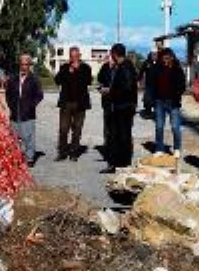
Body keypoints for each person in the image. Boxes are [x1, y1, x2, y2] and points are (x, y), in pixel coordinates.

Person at [99, 43, 138, 173]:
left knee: (122, 136)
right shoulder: (122, 66)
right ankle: (119, 163)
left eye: (111, 53)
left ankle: (120, 164)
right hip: (122, 106)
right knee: (119, 135)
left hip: (124, 107)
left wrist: (110, 91)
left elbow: (126, 88)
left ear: (115, 54)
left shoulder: (125, 67)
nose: (111, 56)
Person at [54, 46, 92, 161]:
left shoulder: (85, 68)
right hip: (66, 103)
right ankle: (62, 152)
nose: (73, 58)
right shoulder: (64, 67)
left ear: (79, 56)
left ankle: (74, 153)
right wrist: (67, 72)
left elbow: (88, 81)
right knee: (63, 129)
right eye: (71, 56)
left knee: (77, 129)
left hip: (80, 104)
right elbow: (57, 80)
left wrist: (78, 70)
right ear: (69, 56)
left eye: (76, 56)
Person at [6, 53, 44, 167]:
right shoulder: (13, 78)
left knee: (28, 137)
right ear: (19, 65)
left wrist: (31, 106)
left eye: (26, 64)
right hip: (15, 112)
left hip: (28, 113)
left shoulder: (34, 79)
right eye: (22, 64)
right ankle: (15, 157)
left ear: (29, 65)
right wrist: (11, 106)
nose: (24, 67)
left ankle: (29, 158)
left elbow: (39, 95)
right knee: (14, 137)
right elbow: (8, 94)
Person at [149, 47, 187, 154]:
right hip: (159, 101)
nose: (165, 60)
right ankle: (159, 148)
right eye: (163, 58)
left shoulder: (177, 70)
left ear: (172, 58)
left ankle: (176, 148)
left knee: (175, 127)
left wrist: (177, 94)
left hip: (173, 102)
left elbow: (182, 86)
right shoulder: (157, 69)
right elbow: (152, 84)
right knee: (159, 127)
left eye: (167, 58)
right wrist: (152, 99)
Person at [97, 56, 115, 152]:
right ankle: (106, 143)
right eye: (109, 58)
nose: (111, 60)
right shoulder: (105, 67)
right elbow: (100, 79)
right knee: (107, 122)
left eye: (112, 58)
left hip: (118, 101)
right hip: (106, 100)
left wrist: (111, 89)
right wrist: (101, 88)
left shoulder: (120, 67)